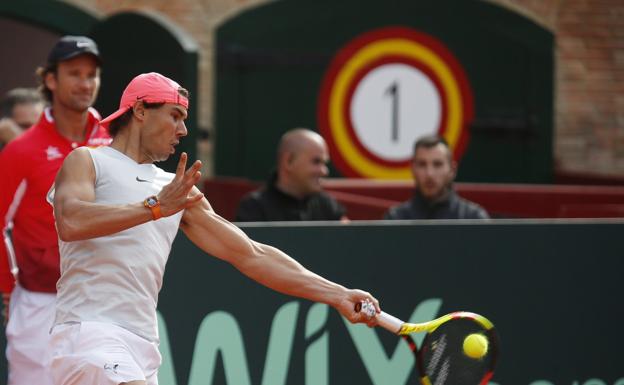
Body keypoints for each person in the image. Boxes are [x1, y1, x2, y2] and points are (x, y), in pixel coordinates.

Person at [49, 72, 378, 385]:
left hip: (142, 343)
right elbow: (71, 221)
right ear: (139, 110)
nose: (182, 130)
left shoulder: (175, 189)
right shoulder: (88, 161)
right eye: (174, 116)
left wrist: (337, 295)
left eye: (184, 120)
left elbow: (251, 254)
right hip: (89, 331)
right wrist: (155, 207)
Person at [0, 35, 110, 385]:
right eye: (74, 73)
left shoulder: (115, 141)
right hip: (41, 304)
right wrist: (8, 286)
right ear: (50, 80)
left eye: (92, 75)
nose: (85, 83)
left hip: (104, 305)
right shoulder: (22, 150)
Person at [235, 128, 346, 221]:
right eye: (316, 161)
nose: (324, 171)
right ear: (288, 161)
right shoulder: (254, 208)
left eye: (324, 163)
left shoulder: (328, 206)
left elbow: (348, 241)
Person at [384, 135, 489, 220]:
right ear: (412, 169)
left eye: (437, 164)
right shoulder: (396, 219)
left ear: (452, 170)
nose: (429, 173)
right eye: (422, 164)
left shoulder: (473, 219)